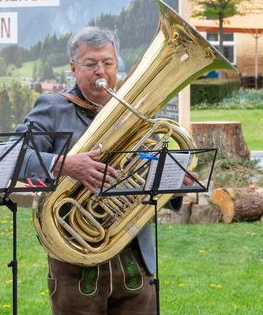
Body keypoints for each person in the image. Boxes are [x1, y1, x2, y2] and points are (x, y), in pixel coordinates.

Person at [16, 26, 188, 315]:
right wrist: (66, 165)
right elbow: (13, 157)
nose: (101, 72)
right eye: (91, 64)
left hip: (133, 255)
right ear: (73, 67)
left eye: (108, 63)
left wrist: (175, 178)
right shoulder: (53, 107)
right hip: (77, 258)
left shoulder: (135, 111)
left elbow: (149, 164)